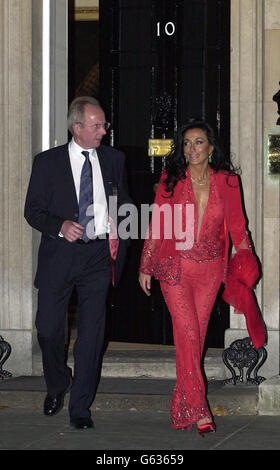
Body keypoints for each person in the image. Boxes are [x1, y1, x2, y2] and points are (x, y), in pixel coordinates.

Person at [139, 119, 261, 436]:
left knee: (193, 339)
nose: (192, 149)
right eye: (187, 143)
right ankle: (199, 408)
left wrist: (245, 258)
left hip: (209, 271)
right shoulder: (171, 179)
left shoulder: (229, 182)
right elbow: (158, 222)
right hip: (174, 268)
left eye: (198, 142)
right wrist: (146, 263)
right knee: (189, 334)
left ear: (210, 147)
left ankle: (181, 408)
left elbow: (238, 227)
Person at [24, 96, 131, 429]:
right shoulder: (47, 162)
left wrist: (122, 223)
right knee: (48, 330)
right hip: (60, 256)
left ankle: (81, 407)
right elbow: (33, 211)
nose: (104, 130)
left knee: (92, 335)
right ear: (77, 127)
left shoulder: (114, 159)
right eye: (97, 125)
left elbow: (124, 202)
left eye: (104, 124)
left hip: (98, 257)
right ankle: (58, 383)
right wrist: (60, 225)